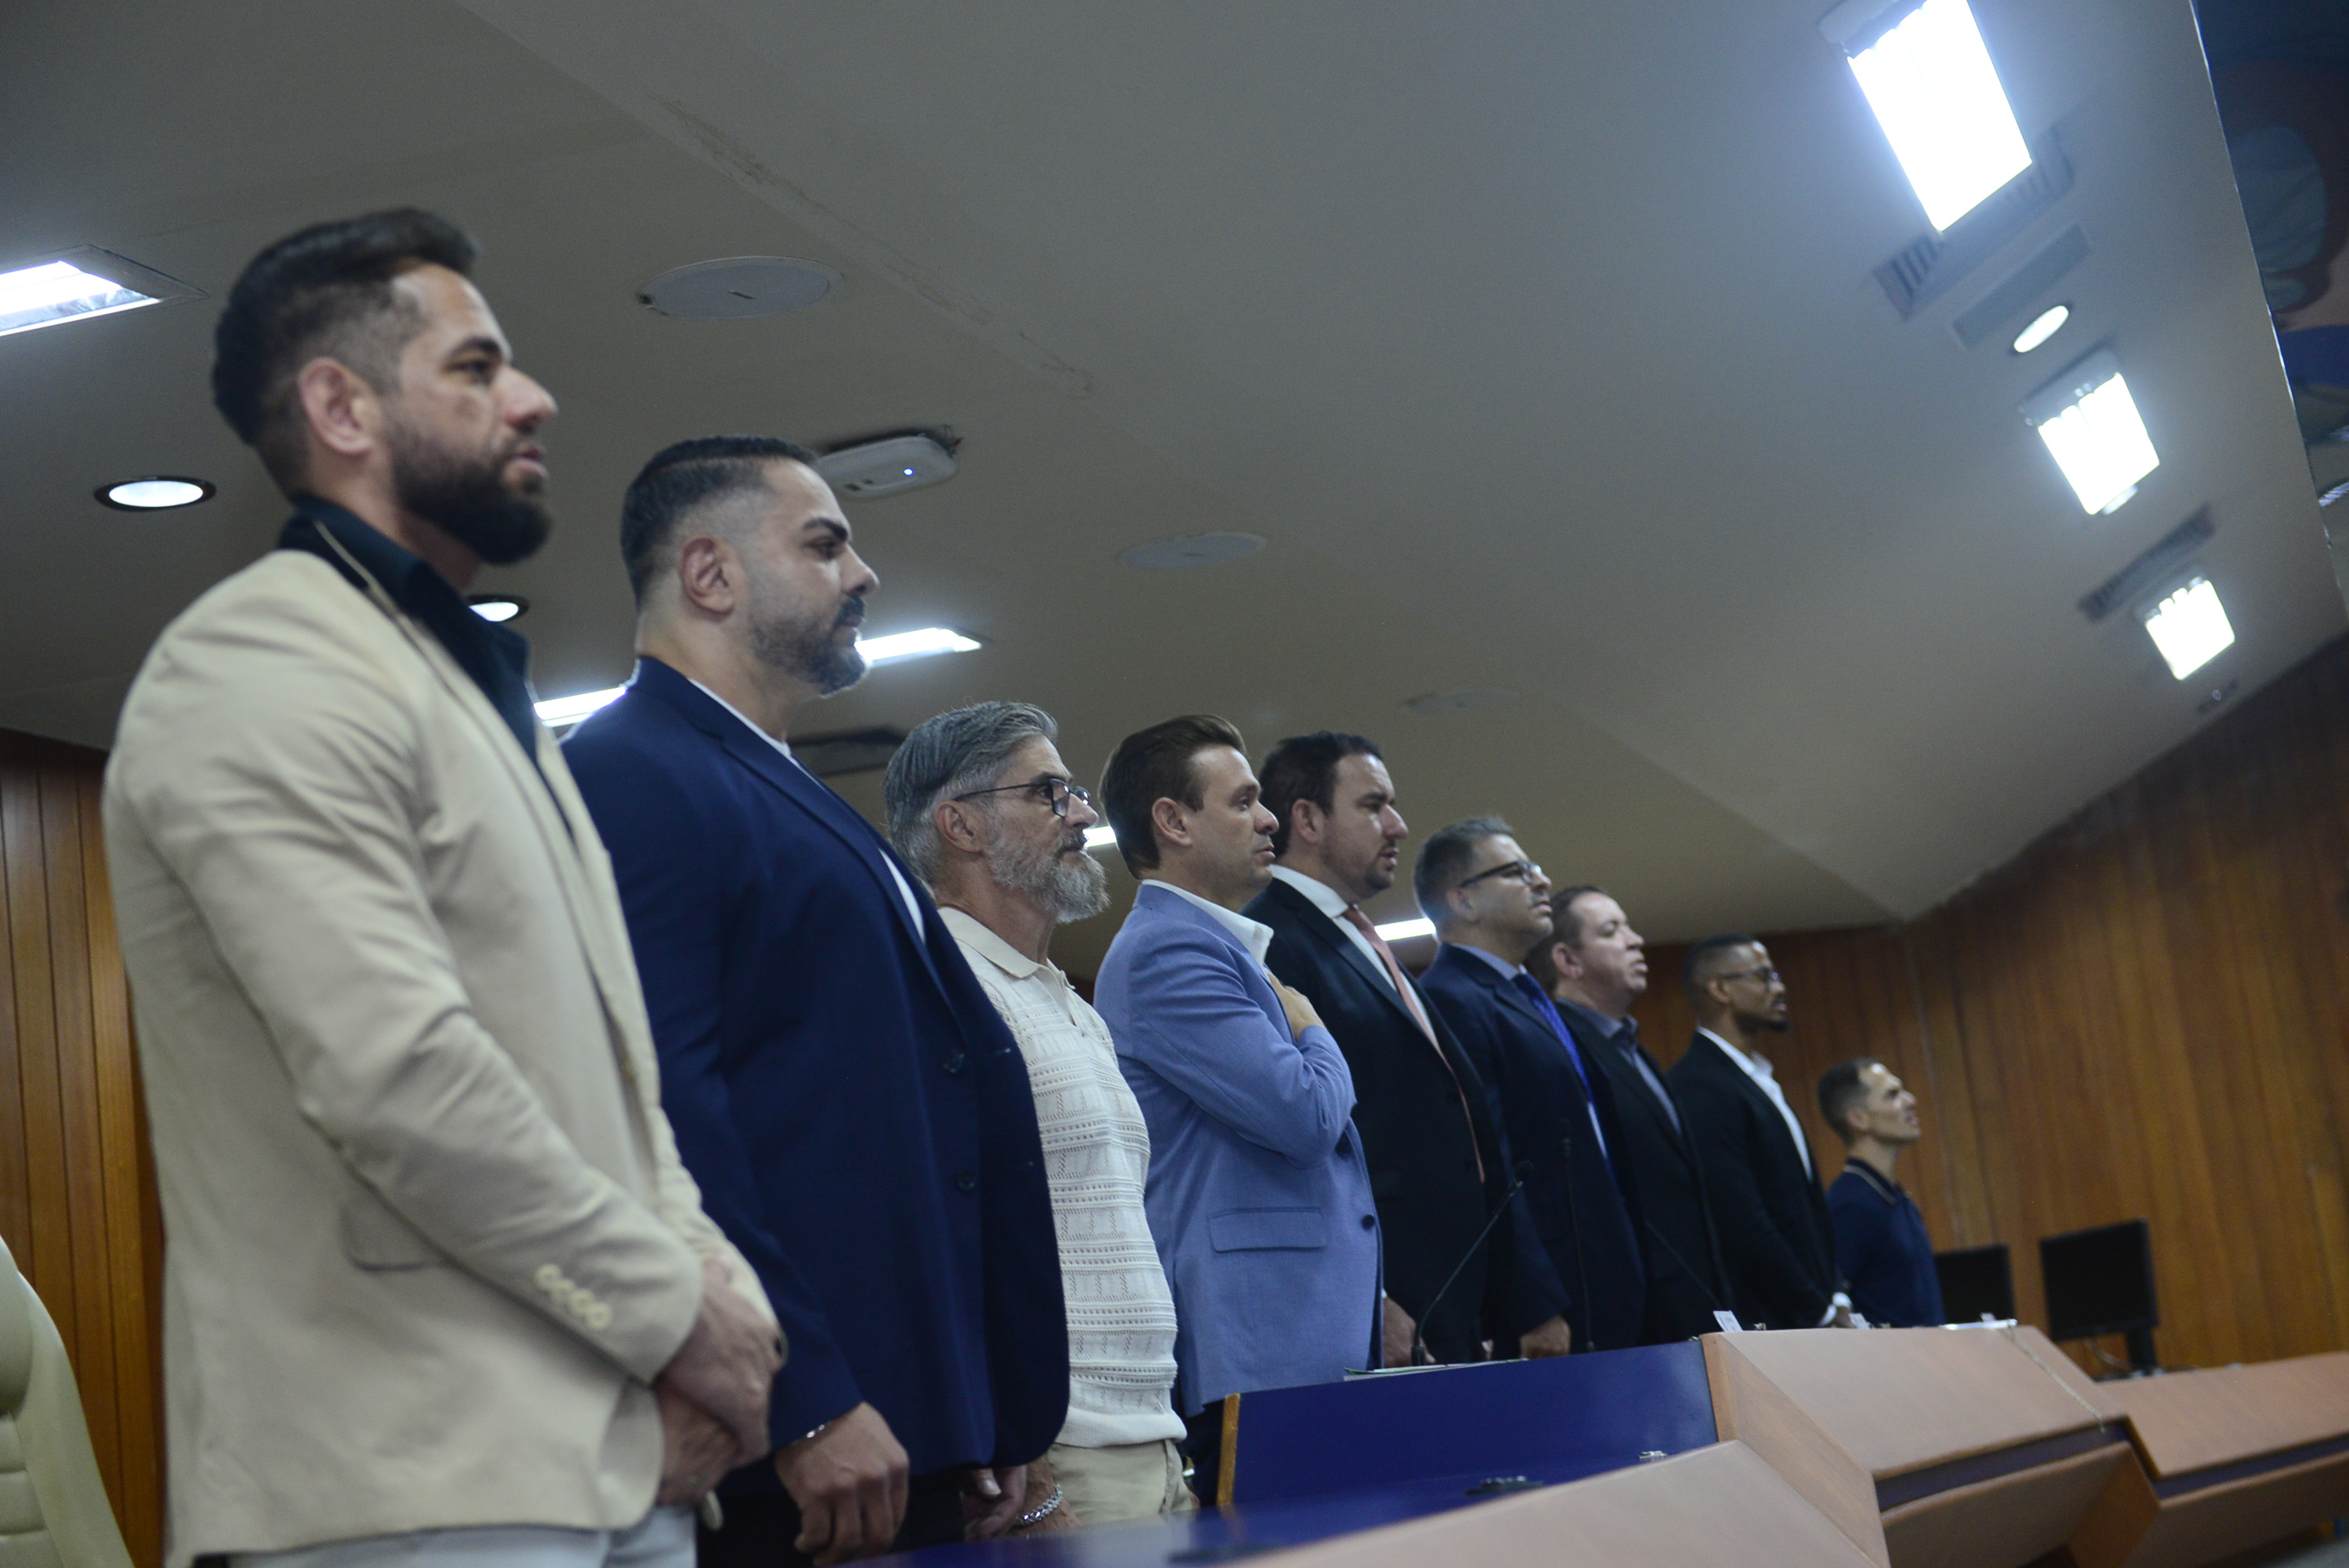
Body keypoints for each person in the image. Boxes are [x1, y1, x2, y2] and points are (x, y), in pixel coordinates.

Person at [104, 209, 781, 1568]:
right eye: (476, 368)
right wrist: (679, 1315)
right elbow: (401, 1079)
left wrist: (719, 1300)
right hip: (405, 1476)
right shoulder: (254, 660)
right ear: (341, 408)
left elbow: (616, 1086)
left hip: (612, 1453)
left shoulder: (473, 691)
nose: (532, 397)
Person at [563, 437, 1068, 1566]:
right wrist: (803, 1400)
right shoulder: (634, 770)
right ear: (710, 574)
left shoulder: (794, 790)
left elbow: (902, 1109)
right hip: (801, 1440)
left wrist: (973, 1400)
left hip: (906, 1419)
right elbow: (663, 1112)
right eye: (825, 544)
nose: (863, 573)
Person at [882, 703, 1192, 1527]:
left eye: (1074, 790)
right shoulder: (937, 993)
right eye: (1048, 793)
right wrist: (1032, 1469)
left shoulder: (1073, 1005)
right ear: (961, 826)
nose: (1082, 813)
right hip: (1058, 1458)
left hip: (1153, 1440)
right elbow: (939, 1242)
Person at [1092, 716, 1380, 1499]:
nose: (1269, 820)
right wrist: (1313, 1027)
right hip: (1260, 1341)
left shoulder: (1215, 946)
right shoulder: (1167, 950)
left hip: (1291, 1328)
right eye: (1244, 801)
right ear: (1173, 821)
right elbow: (1304, 1118)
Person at [1246, 734, 1570, 1366]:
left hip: (1455, 1292)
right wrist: (1373, 1292)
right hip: (1388, 1296)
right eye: (1373, 806)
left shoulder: (1358, 937)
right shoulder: (1269, 937)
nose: (1397, 826)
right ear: (1308, 820)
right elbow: (1296, 1138)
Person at [1415, 821, 1646, 1353]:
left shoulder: (1525, 994)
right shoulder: (1451, 999)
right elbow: (1487, 1162)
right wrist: (1535, 1304)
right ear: (1464, 901)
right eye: (1517, 872)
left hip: (1604, 1273)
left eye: (1535, 869)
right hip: (1555, 1294)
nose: (1541, 882)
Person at [1530, 887, 1735, 1345]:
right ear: (1568, 961)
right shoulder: (1560, 1049)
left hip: (1693, 1300)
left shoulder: (1634, 1048)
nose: (1636, 940)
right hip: (1635, 1314)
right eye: (1611, 931)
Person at [1668, 938, 1852, 1331]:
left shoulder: (1757, 1078)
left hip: (1811, 1314)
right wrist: (1816, 1310)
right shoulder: (1699, 1084)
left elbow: (1804, 1210)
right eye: (1764, 976)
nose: (1779, 988)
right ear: (1720, 989)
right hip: (1770, 1323)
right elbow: (1739, 1218)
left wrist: (1835, 1293)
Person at [1820, 1060, 1944, 1327]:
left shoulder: (1894, 1197)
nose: (1910, 1100)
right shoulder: (1851, 1205)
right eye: (1892, 1094)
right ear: (1859, 1119)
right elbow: (1832, 1311)